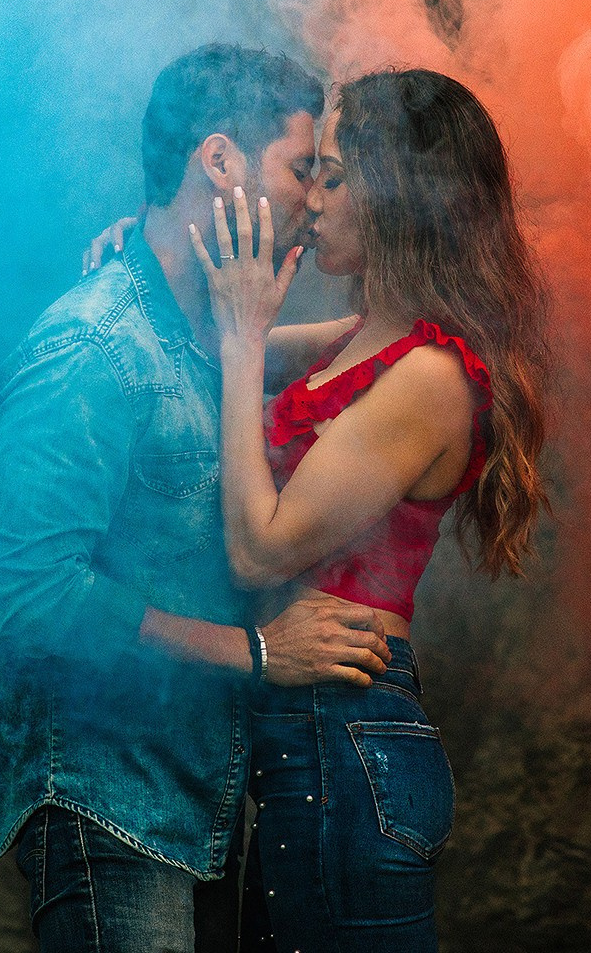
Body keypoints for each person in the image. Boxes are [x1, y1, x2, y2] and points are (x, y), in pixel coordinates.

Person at [0, 43, 396, 953]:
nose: (312, 199)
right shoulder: (89, 349)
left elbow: (319, 351)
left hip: (198, 809)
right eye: (300, 170)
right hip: (108, 808)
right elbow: (32, 595)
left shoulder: (204, 331)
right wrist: (255, 651)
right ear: (219, 161)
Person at [188, 68, 551, 952]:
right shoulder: (365, 341)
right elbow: (192, 349)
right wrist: (152, 247)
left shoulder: (427, 376)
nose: (313, 198)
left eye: (337, 176)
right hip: (313, 737)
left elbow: (259, 550)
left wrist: (241, 342)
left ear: (399, 195)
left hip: (345, 739)